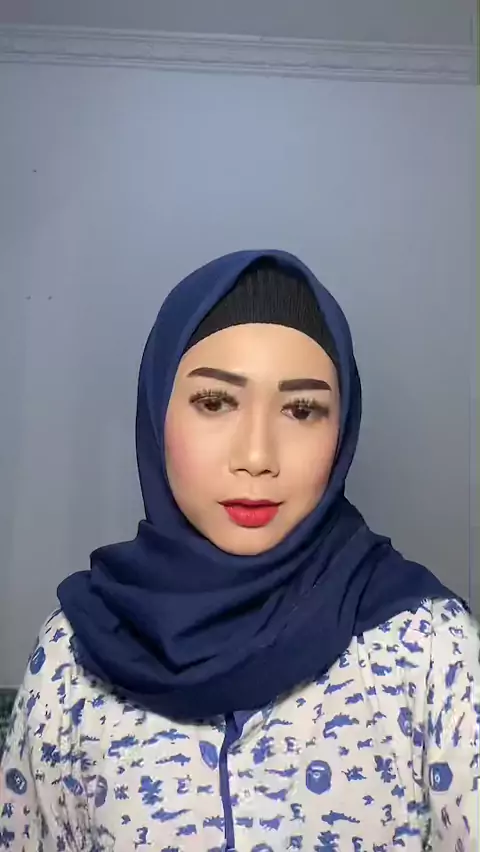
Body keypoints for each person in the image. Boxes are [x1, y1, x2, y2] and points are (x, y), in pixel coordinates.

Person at [0, 250, 478, 851]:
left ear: (342, 428)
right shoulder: (73, 657)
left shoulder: (428, 650)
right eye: (215, 402)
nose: (256, 456)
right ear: (157, 409)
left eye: (301, 410)